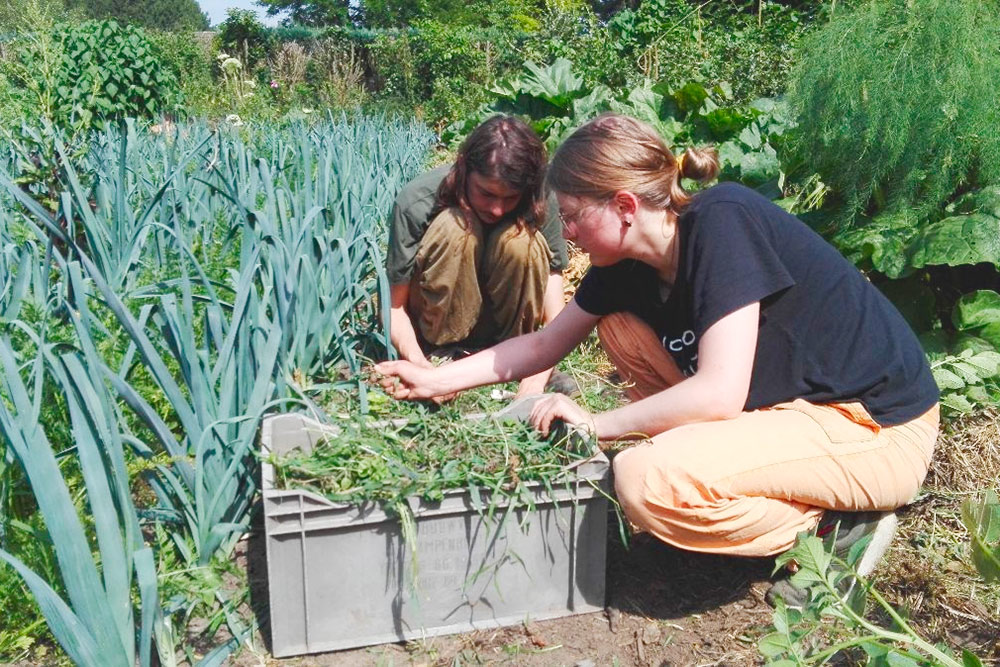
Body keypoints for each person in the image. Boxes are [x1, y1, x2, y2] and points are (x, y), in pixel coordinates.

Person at [376, 113, 940, 604]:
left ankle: (834, 531)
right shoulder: (625, 266)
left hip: (871, 425)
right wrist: (434, 380)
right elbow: (543, 345)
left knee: (646, 481)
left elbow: (718, 392)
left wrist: (599, 425)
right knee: (619, 326)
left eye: (572, 216)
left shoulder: (723, 221)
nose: (565, 235)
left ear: (624, 206)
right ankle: (753, 477)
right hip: (788, 411)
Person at [386, 115, 570, 398]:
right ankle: (445, 352)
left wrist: (538, 373)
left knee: (520, 240)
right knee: (455, 226)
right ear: (463, 168)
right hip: (437, 329)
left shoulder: (541, 195)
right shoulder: (417, 200)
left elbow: (553, 282)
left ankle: (511, 355)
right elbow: (394, 308)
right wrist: (422, 369)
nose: (497, 209)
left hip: (509, 340)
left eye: (510, 198)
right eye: (486, 193)